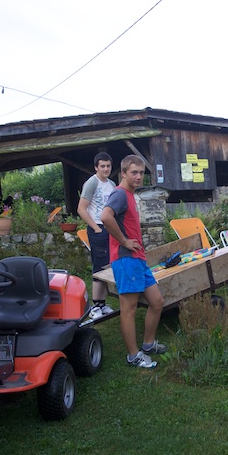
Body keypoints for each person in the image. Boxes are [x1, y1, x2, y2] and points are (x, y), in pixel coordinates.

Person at [101, 155, 166, 368]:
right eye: (134, 172)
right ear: (123, 174)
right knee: (128, 308)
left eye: (141, 172)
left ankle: (148, 344)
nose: (138, 176)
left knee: (156, 301)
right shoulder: (120, 194)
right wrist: (124, 241)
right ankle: (133, 355)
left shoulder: (129, 194)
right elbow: (106, 217)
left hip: (138, 259)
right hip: (126, 260)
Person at [77, 152, 118, 320]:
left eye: (108, 166)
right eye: (102, 166)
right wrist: (96, 228)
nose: (106, 169)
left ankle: (102, 303)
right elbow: (81, 208)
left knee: (108, 265)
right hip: (98, 229)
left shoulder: (112, 184)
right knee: (99, 266)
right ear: (96, 167)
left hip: (110, 228)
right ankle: (95, 306)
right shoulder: (92, 183)